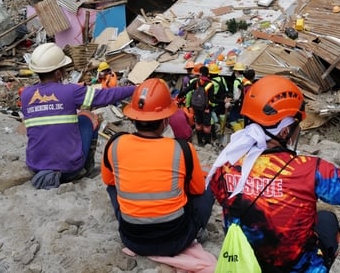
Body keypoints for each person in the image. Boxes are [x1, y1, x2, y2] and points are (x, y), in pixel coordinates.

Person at [207, 75, 340, 273]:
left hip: (242, 261)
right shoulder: (309, 169)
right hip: (298, 267)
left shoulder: (225, 162)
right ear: (284, 131)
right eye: (296, 125)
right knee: (327, 220)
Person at [102, 78, 213, 256]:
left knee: (113, 186)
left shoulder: (114, 144)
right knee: (208, 187)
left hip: (132, 239)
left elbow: (109, 181)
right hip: (176, 240)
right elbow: (197, 190)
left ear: (134, 117)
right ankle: (197, 231)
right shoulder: (182, 148)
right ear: (165, 121)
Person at [21, 43, 135, 189]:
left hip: (37, 166)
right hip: (69, 169)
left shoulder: (25, 95)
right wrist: (134, 89)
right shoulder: (70, 91)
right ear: (58, 73)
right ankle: (85, 169)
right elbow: (106, 96)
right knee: (87, 118)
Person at [178, 65, 215, 145]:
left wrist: (179, 96)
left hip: (196, 106)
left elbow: (186, 90)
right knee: (206, 125)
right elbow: (212, 99)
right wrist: (221, 102)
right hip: (206, 108)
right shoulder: (210, 84)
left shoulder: (196, 82)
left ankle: (200, 141)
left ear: (200, 73)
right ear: (208, 74)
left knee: (198, 123)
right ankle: (207, 143)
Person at [226, 62, 250, 133]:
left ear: (236, 71)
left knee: (232, 119)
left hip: (238, 103)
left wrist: (230, 103)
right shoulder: (245, 79)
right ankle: (244, 131)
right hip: (244, 103)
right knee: (240, 118)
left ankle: (240, 134)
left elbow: (236, 96)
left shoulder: (236, 81)